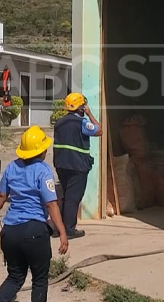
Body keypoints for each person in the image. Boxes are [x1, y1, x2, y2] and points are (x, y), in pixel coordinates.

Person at [0, 126, 68, 302]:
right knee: (39, 280)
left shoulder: (11, 167)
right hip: (35, 232)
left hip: (10, 232)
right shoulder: (43, 171)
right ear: (42, 151)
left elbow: (1, 195)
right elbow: (51, 203)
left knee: (15, 278)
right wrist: (62, 232)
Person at [52, 92, 102, 240]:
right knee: (73, 198)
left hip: (61, 164)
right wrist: (90, 113)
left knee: (65, 195)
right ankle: (68, 230)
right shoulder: (82, 123)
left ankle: (58, 227)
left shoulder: (59, 122)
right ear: (81, 108)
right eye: (83, 106)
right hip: (77, 166)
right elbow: (99, 130)